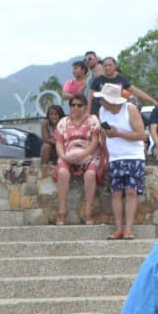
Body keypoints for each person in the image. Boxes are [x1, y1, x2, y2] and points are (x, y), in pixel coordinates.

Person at [96, 82, 147, 240]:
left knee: (131, 191)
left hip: (133, 155)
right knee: (116, 193)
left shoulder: (129, 109)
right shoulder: (102, 111)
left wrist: (118, 134)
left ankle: (129, 229)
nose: (101, 102)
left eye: (104, 99)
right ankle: (118, 229)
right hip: (115, 156)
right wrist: (104, 155)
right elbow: (103, 136)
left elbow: (141, 135)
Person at [53, 94, 102, 225]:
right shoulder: (63, 122)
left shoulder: (93, 121)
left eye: (79, 105)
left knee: (90, 175)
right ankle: (62, 211)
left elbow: (95, 141)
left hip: (89, 154)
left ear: (85, 107)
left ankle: (88, 212)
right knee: (62, 173)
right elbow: (58, 142)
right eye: (73, 105)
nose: (75, 108)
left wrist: (84, 154)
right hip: (68, 154)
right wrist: (63, 156)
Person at [39, 103, 66, 168]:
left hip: (63, 149)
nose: (53, 116)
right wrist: (57, 142)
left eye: (56, 114)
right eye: (51, 114)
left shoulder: (65, 123)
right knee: (45, 146)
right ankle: (44, 169)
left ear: (60, 115)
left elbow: (66, 140)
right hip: (52, 150)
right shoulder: (45, 123)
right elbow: (45, 139)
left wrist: (53, 139)